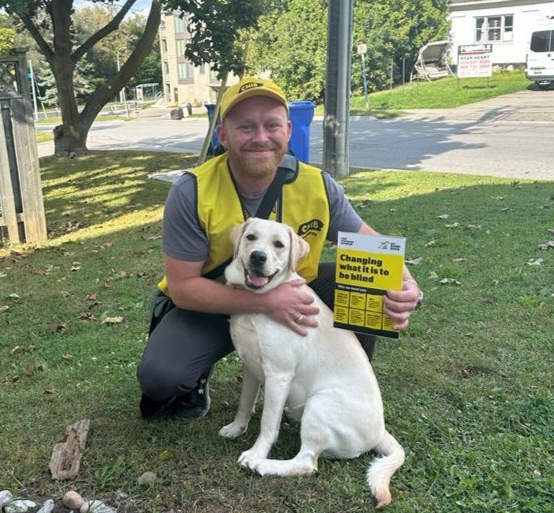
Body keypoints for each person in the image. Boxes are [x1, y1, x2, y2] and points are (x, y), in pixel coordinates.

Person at [137, 77, 422, 420]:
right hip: (212, 300)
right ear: (222, 135)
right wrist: (266, 301)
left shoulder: (318, 185)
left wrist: (409, 287)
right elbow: (183, 288)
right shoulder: (192, 191)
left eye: (271, 125)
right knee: (161, 378)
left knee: (372, 282)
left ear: (287, 130)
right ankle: (197, 376)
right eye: (245, 127)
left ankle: (335, 385)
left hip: (292, 290)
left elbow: (371, 243)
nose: (260, 137)